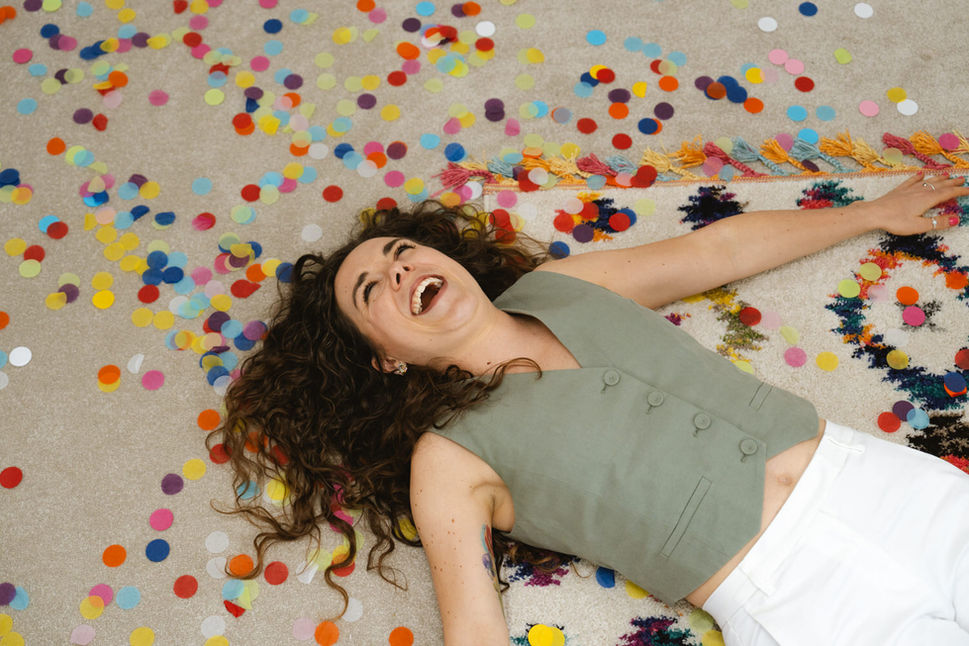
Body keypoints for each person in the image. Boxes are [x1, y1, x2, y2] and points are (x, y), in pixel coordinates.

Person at [211, 172, 969, 645]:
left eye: (401, 252)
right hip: (797, 602)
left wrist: (871, 212)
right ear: (385, 357)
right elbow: (473, 627)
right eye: (371, 289)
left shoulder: (567, 284)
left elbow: (715, 253)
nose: (399, 269)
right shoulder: (446, 459)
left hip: (884, 486)